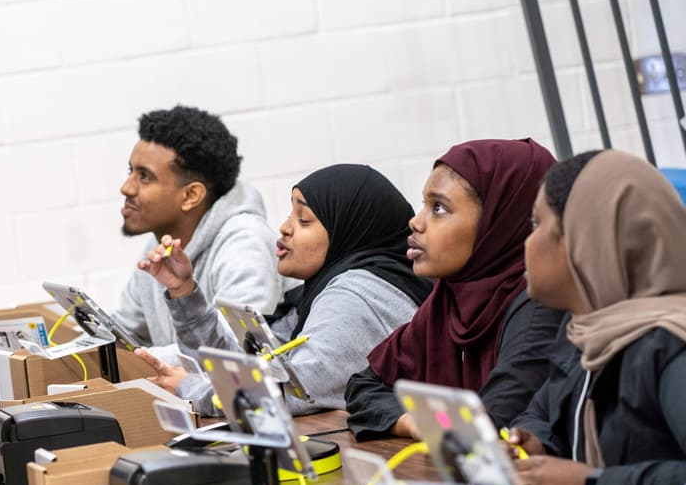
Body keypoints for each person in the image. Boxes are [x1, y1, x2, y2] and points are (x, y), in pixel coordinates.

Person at [139, 164, 431, 415]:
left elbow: (287, 395)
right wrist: (183, 291)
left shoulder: (357, 296)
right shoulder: (323, 291)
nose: (284, 228)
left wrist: (189, 388)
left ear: (347, 229)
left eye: (304, 220)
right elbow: (244, 365)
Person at [505, 150, 686, 485]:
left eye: (537, 224)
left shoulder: (671, 343)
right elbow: (542, 411)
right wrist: (534, 443)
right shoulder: (589, 330)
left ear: (584, 239)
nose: (527, 242)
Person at [344, 138, 565, 439]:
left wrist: (431, 422)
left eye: (438, 208)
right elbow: (364, 386)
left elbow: (488, 425)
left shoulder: (539, 305)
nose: (415, 222)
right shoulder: (447, 300)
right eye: (424, 204)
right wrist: (411, 422)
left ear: (497, 223)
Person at [112, 105, 281, 386]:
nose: (126, 188)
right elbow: (124, 331)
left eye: (144, 176)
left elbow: (233, 354)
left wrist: (121, 362)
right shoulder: (159, 245)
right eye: (131, 171)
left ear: (191, 195)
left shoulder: (246, 244)